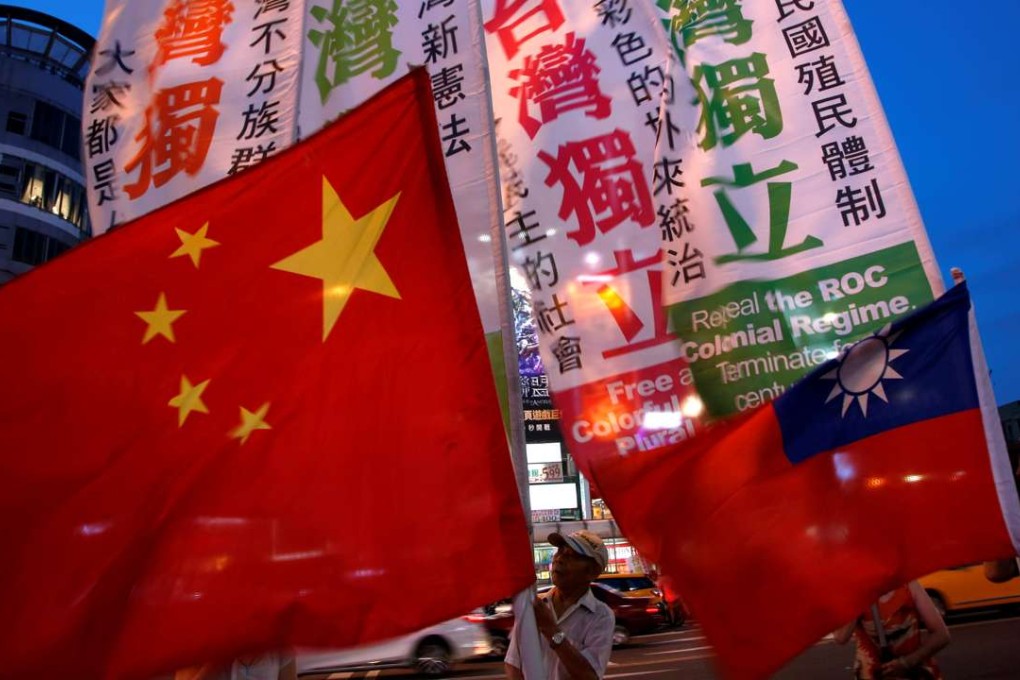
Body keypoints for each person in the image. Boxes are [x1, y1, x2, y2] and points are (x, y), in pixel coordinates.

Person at [505, 530, 615, 680]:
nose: (559, 559)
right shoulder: (533, 606)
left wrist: (551, 630)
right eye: (559, 552)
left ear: (591, 572)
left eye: (571, 555)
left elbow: (589, 675)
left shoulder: (601, 616)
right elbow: (513, 663)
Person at [833, 581, 949, 679]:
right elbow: (840, 637)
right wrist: (860, 597)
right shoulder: (855, 592)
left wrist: (906, 662)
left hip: (914, 672)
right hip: (872, 673)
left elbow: (941, 635)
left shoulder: (908, 585)